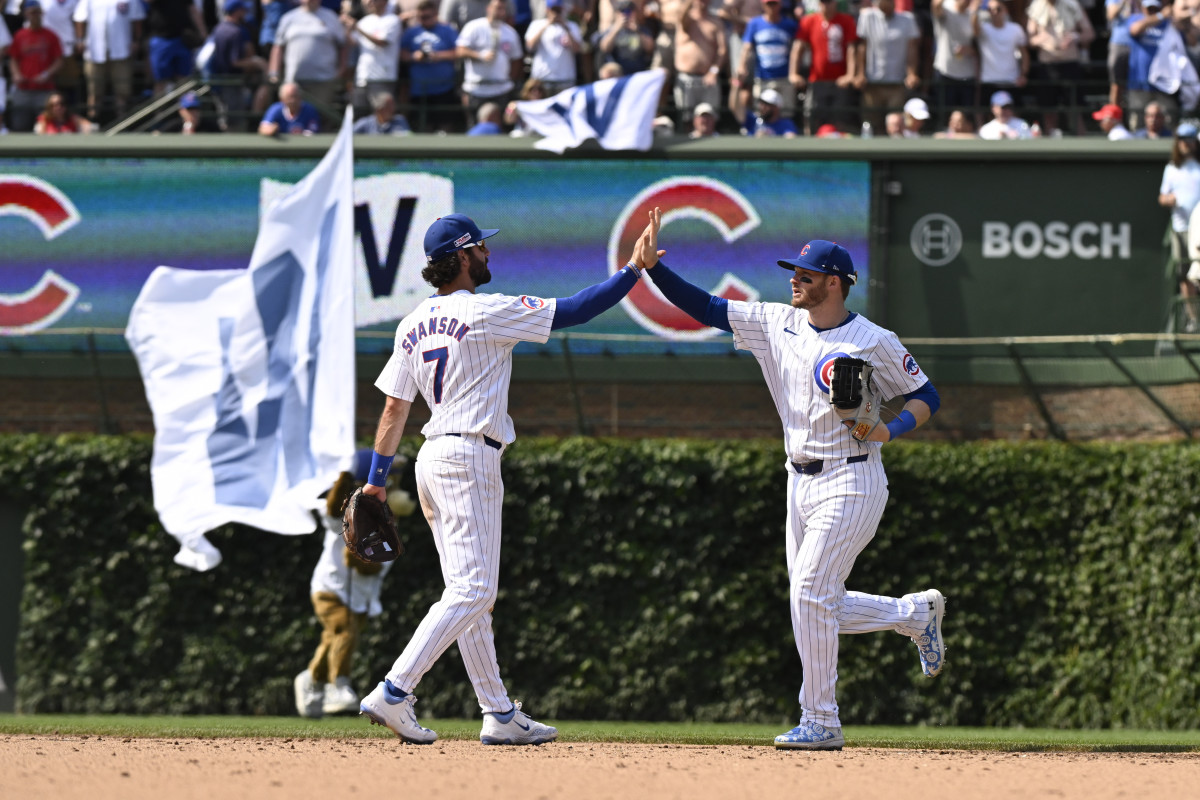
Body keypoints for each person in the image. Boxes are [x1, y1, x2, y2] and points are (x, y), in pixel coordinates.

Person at [637, 207, 945, 751]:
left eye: (805, 275)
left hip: (852, 478)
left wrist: (891, 431)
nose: (794, 280)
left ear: (834, 283)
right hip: (797, 481)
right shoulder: (774, 322)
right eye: (793, 273)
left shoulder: (874, 338)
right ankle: (914, 613)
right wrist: (653, 271)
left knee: (809, 595)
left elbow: (927, 395)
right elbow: (707, 307)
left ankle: (821, 720)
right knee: (813, 602)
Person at [356, 210, 665, 746]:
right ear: (462, 255)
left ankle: (498, 712)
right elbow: (574, 309)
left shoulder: (411, 323)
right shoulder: (487, 311)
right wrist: (633, 271)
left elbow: (392, 410)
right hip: (470, 455)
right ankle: (395, 690)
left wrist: (377, 481)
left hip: (431, 456)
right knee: (476, 588)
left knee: (467, 591)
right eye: (481, 248)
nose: (488, 255)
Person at [294, 453, 412, 719]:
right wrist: (344, 475)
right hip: (331, 587)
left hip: (361, 595)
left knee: (334, 638)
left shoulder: (388, 527)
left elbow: (367, 566)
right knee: (344, 630)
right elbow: (332, 506)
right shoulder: (345, 512)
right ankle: (340, 685)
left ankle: (311, 679)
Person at [791, 0, 860, 136]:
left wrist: (850, 75)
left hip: (840, 82)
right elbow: (798, 48)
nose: (826, 5)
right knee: (812, 117)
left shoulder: (846, 20)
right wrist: (793, 73)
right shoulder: (809, 21)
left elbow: (852, 49)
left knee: (840, 120)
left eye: (829, 2)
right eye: (823, 2)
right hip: (816, 81)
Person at [1025, 0, 1095, 135]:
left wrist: (1075, 37)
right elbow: (1029, 39)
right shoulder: (1036, 7)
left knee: (1075, 111)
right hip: (1047, 65)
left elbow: (1089, 33)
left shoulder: (1073, 5)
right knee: (1048, 112)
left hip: (1069, 64)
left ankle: (1083, 150)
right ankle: (1047, 151)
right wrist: (1043, 39)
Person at [72, 0, 146, 121]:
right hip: (95, 52)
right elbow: (79, 18)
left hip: (122, 50)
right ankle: (93, 121)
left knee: (123, 91)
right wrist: (80, 40)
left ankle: (122, 121)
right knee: (94, 91)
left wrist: (136, 40)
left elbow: (137, 20)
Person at [854, 0, 921, 132]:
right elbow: (862, 47)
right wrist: (860, 74)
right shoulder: (867, 17)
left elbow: (912, 49)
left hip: (897, 83)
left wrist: (911, 73)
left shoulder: (907, 19)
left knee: (896, 124)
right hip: (872, 84)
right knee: (871, 125)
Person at [269, 0, 347, 112]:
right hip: (294, 81)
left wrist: (341, 69)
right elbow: (278, 47)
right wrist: (274, 72)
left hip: (324, 80)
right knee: (294, 116)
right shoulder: (288, 18)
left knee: (321, 116)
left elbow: (343, 45)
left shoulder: (331, 17)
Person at [1159, 122, 1200, 331]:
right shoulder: (1172, 168)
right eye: (1182, 140)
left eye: (1189, 139)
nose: (1186, 144)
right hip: (1181, 228)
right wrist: (1170, 200)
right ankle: (1193, 319)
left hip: (1199, 231)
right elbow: (1162, 197)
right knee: (1185, 276)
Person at [207, 0, 270, 131]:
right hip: (229, 82)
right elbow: (234, 62)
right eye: (242, 9)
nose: (245, 12)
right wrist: (256, 62)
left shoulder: (219, 28)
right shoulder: (234, 32)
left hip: (218, 81)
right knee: (233, 121)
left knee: (225, 117)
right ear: (236, 11)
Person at [400, 0, 461, 132]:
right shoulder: (412, 32)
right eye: (420, 17)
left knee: (445, 127)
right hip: (419, 90)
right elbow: (402, 54)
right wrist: (413, 56)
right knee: (423, 128)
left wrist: (438, 56)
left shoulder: (447, 30)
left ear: (435, 15)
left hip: (444, 88)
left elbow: (459, 52)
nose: (423, 20)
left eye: (427, 17)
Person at [458, 0, 524, 119]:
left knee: (501, 128)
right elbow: (460, 51)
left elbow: (516, 60)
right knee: (474, 126)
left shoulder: (510, 33)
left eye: (503, 9)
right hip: (476, 89)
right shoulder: (474, 27)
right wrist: (479, 56)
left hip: (501, 89)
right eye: (497, 8)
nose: (500, 12)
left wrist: (509, 80)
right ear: (488, 8)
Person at [8, 0, 64, 133]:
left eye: (37, 12)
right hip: (24, 90)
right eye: (32, 13)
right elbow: (13, 59)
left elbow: (59, 61)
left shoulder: (50, 35)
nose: (35, 16)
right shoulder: (20, 35)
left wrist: (46, 74)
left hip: (44, 90)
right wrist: (16, 75)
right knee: (19, 127)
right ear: (26, 15)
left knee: (46, 128)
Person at [972, 0, 1028, 128]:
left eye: (998, 9)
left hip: (1011, 81)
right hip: (989, 81)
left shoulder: (1015, 29)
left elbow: (1024, 55)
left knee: (1015, 117)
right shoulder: (984, 29)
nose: (994, 13)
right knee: (983, 115)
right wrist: (975, 10)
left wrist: (1023, 74)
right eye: (990, 10)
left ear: (1005, 11)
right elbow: (974, 29)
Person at [738, 0, 798, 117]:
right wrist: (742, 66)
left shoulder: (789, 25)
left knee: (786, 113)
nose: (772, 7)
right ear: (763, 5)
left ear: (780, 5)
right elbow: (747, 47)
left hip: (784, 76)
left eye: (774, 4)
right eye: (769, 4)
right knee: (761, 113)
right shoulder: (754, 23)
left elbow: (797, 49)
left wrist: (794, 72)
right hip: (762, 76)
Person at [1127, 0, 1178, 129]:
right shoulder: (1136, 19)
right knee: (1137, 125)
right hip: (1139, 84)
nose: (1152, 12)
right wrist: (1160, 16)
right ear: (1142, 8)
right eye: (1149, 8)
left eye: (1155, 8)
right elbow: (1135, 29)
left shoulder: (1169, 23)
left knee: (1169, 124)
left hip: (1164, 84)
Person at [673, 0, 726, 127]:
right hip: (686, 78)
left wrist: (714, 71)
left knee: (709, 119)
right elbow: (681, 16)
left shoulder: (716, 23)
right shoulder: (686, 20)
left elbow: (722, 50)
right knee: (686, 119)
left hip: (708, 79)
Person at [349, 0, 402, 117]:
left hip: (383, 77)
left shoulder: (393, 20)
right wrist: (347, 28)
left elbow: (382, 42)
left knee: (383, 115)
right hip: (363, 77)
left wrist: (358, 29)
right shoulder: (364, 21)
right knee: (359, 114)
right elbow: (353, 42)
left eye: (374, 0)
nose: (370, 3)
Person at [144, 0, 207, 98]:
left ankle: (185, 111)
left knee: (184, 80)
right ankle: (160, 113)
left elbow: (192, 9)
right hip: (161, 39)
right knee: (160, 81)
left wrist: (202, 32)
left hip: (182, 39)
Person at [930, 0, 977, 124]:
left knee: (966, 119)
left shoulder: (972, 15)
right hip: (945, 71)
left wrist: (970, 50)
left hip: (967, 74)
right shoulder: (946, 10)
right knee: (944, 117)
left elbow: (978, 45)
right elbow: (935, 6)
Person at [525, 0, 582, 95]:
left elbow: (577, 49)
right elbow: (530, 46)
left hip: (565, 80)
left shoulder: (572, 26)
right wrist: (547, 25)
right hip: (542, 80)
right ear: (547, 10)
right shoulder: (537, 24)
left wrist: (565, 27)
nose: (555, 13)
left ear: (563, 10)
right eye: (553, 10)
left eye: (558, 10)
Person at [596, 0, 654, 77]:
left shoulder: (642, 30)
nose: (626, 15)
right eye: (622, 11)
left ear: (635, 13)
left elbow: (650, 48)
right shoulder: (612, 30)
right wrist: (617, 29)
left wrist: (637, 31)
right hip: (618, 71)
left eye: (629, 11)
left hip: (638, 69)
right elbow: (604, 48)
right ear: (617, 13)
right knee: (607, 71)